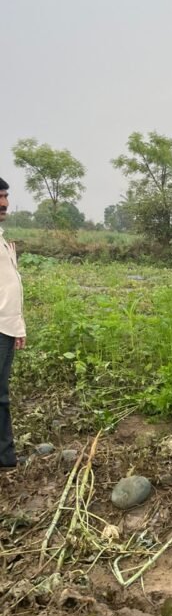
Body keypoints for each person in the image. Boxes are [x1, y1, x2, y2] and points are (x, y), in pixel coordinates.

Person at [0, 178, 27, 471]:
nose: (4, 202)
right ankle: (6, 458)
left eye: (5, 196)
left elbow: (8, 288)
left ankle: (6, 456)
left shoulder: (2, 238)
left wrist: (17, 326)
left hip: (5, 328)